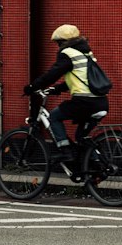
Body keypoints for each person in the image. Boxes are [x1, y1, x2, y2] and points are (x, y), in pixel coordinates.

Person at [23, 23, 109, 167]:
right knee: (81, 137)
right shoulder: (85, 53)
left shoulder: (67, 53)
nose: (58, 46)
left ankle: (65, 151)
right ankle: (97, 168)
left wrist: (33, 86)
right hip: (101, 102)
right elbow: (81, 79)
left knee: (54, 117)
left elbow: (53, 73)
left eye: (58, 43)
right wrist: (57, 89)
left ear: (62, 42)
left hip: (83, 102)